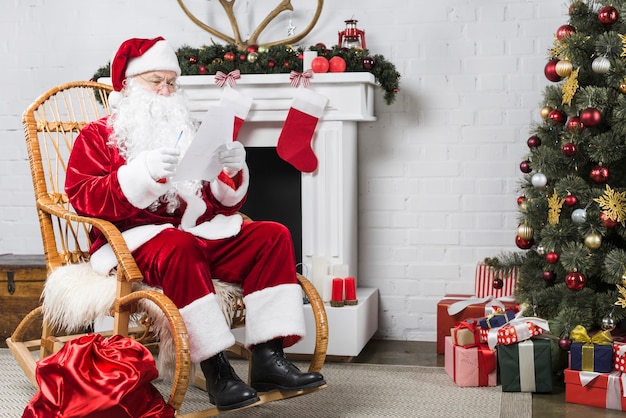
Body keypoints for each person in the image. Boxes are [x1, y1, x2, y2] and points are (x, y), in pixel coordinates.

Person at [65, 36, 325, 411]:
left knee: (271, 235)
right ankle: (216, 368)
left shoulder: (185, 133)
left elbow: (214, 204)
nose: (166, 91)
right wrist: (142, 173)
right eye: (156, 81)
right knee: (179, 245)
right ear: (127, 86)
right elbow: (82, 197)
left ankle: (269, 358)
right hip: (134, 243)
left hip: (192, 234)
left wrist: (230, 173)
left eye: (172, 83)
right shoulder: (97, 136)